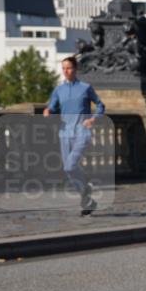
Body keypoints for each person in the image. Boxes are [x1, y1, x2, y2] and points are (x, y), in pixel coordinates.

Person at [43, 56, 105, 215]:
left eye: (69, 68)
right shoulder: (59, 90)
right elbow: (52, 107)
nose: (66, 71)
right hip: (65, 133)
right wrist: (48, 111)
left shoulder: (85, 87)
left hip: (82, 132)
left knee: (70, 166)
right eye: (63, 68)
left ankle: (86, 189)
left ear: (75, 69)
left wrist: (93, 119)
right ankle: (88, 201)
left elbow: (100, 105)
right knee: (69, 169)